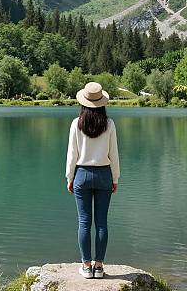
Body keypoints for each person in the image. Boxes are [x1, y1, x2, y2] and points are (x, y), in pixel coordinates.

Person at [65, 81, 120, 279]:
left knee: (84, 222)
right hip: (104, 174)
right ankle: (99, 266)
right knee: (102, 223)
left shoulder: (76, 123)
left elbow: (72, 154)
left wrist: (69, 177)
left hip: (82, 175)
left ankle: (86, 266)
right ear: (102, 103)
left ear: (83, 103)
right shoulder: (110, 124)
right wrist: (115, 178)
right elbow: (114, 154)